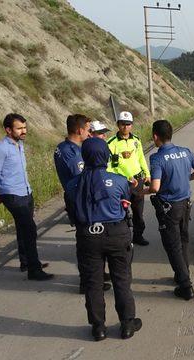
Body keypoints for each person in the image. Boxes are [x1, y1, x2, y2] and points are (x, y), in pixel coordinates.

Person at [66, 137, 141, 341]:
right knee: (122, 279)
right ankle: (127, 323)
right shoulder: (118, 180)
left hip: (87, 235)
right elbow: (128, 199)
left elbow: (71, 214)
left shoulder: (73, 185)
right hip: (117, 233)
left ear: (84, 156)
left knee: (93, 283)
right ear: (106, 155)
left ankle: (98, 327)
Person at [146, 120, 194, 300]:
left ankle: (185, 286)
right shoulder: (185, 151)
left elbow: (155, 187)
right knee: (183, 239)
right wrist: (185, 178)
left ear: (155, 136)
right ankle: (182, 272)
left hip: (169, 208)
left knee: (172, 245)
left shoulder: (157, 158)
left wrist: (141, 190)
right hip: (185, 204)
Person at [0, 113, 53, 280]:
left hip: (25, 191)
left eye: (25, 127)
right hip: (11, 194)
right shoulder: (1, 148)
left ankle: (26, 262)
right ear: (8, 130)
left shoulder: (19, 144)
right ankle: (34, 269)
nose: (24, 131)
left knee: (23, 229)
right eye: (19, 128)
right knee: (30, 230)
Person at [54, 114, 111, 294]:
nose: (90, 133)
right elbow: (83, 176)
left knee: (94, 240)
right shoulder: (70, 152)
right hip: (79, 202)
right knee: (86, 243)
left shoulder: (67, 147)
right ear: (80, 130)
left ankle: (97, 275)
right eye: (88, 130)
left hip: (82, 199)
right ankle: (87, 282)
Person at [107, 111, 150, 246]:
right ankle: (123, 239)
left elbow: (141, 158)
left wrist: (147, 174)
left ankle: (138, 236)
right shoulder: (111, 143)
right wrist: (126, 177)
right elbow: (111, 166)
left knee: (138, 212)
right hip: (121, 183)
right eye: (122, 124)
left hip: (138, 182)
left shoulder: (136, 140)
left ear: (132, 125)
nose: (125, 127)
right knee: (121, 213)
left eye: (128, 124)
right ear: (118, 125)